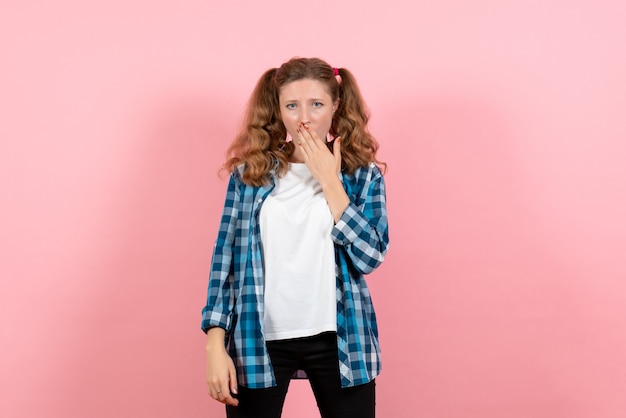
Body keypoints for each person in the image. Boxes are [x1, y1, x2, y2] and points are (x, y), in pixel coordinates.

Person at [201, 57, 389, 418]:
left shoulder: (363, 177)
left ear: (335, 106)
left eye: (316, 104)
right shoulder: (249, 177)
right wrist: (214, 344)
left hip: (342, 340)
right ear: (279, 111)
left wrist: (330, 181)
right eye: (292, 105)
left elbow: (370, 256)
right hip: (258, 339)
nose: (304, 117)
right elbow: (225, 260)